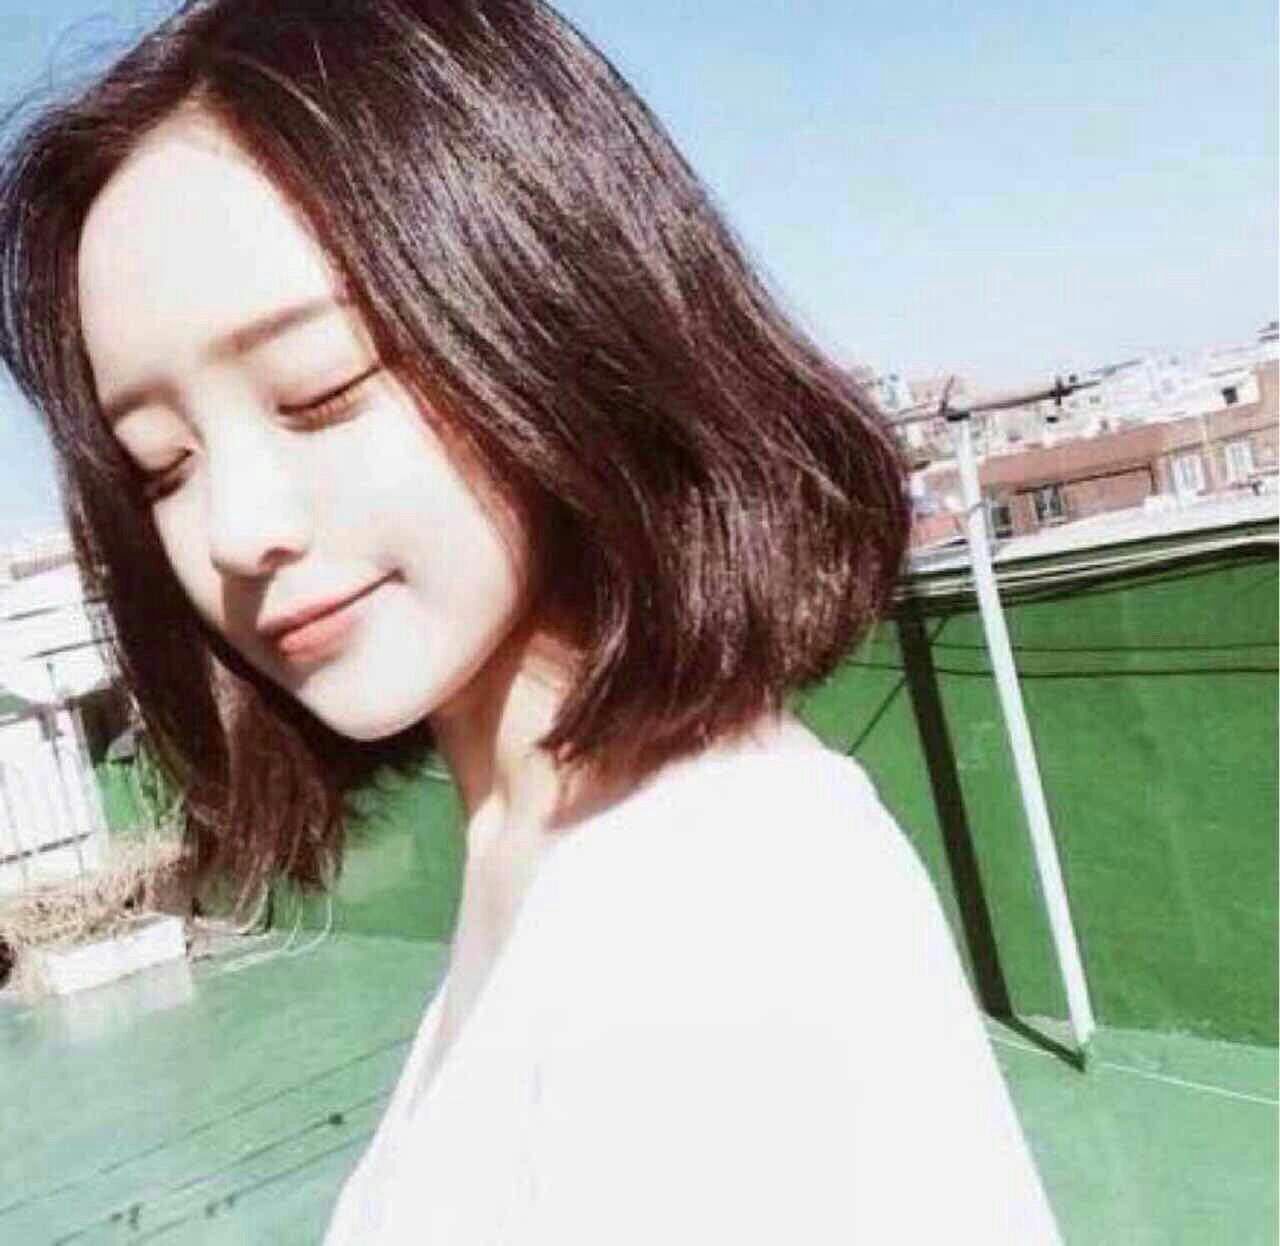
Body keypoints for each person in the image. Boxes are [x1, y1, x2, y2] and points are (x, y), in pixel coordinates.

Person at [0, 1, 1064, 1241]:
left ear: (553, 314)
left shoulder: (720, 926)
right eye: (162, 464)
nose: (234, 530)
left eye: (318, 389)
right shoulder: (540, 839)